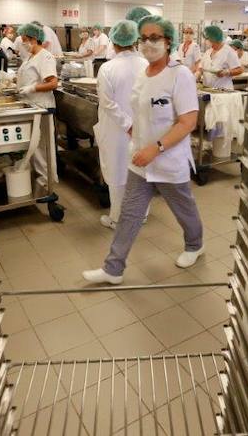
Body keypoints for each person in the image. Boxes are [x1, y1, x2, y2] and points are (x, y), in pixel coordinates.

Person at [83, 15, 204, 284]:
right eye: (144, 38)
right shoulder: (142, 74)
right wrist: (136, 138)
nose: (149, 43)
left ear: (168, 41)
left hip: (169, 160)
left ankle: (195, 245)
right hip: (139, 159)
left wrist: (157, 148)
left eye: (155, 37)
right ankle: (113, 269)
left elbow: (188, 121)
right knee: (129, 214)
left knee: (184, 209)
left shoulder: (179, 74)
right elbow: (138, 114)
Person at [94, 20, 149, 229]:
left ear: (114, 42)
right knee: (141, 172)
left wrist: (127, 125)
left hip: (118, 131)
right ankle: (141, 214)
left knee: (117, 173)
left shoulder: (107, 68)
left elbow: (107, 103)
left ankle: (117, 218)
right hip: (144, 129)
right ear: (135, 40)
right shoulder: (147, 65)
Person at [14, 23, 60, 192]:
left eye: (25, 40)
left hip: (42, 108)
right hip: (31, 106)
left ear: (34, 39)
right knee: (35, 148)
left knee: (43, 149)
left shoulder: (45, 56)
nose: (23, 43)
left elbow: (53, 83)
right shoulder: (30, 57)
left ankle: (48, 182)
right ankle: (42, 180)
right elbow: (29, 76)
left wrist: (32, 88)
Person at [199, 26, 242, 90]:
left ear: (214, 38)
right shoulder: (208, 52)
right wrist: (197, 74)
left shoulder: (228, 52)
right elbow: (201, 67)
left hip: (223, 91)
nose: (205, 41)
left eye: (207, 39)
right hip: (208, 89)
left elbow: (239, 70)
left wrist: (227, 72)